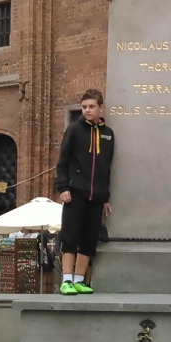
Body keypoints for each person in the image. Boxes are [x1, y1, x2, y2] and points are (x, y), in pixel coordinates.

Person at [54, 89, 114, 296]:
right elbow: (62, 161)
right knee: (70, 236)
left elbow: (106, 168)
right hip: (75, 192)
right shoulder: (74, 130)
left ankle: (79, 280)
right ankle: (66, 280)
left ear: (100, 108)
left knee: (89, 238)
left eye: (91, 107)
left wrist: (105, 197)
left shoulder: (108, 134)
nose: (87, 110)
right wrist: (63, 187)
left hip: (96, 195)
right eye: (84, 107)